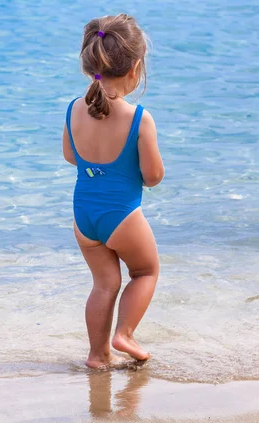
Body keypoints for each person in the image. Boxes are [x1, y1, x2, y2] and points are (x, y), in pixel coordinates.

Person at [62, 14, 165, 369]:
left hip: (83, 217)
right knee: (145, 273)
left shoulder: (75, 108)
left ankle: (97, 355)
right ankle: (125, 334)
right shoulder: (139, 118)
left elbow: (70, 156)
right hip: (122, 214)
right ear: (136, 67)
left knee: (104, 284)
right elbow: (152, 177)